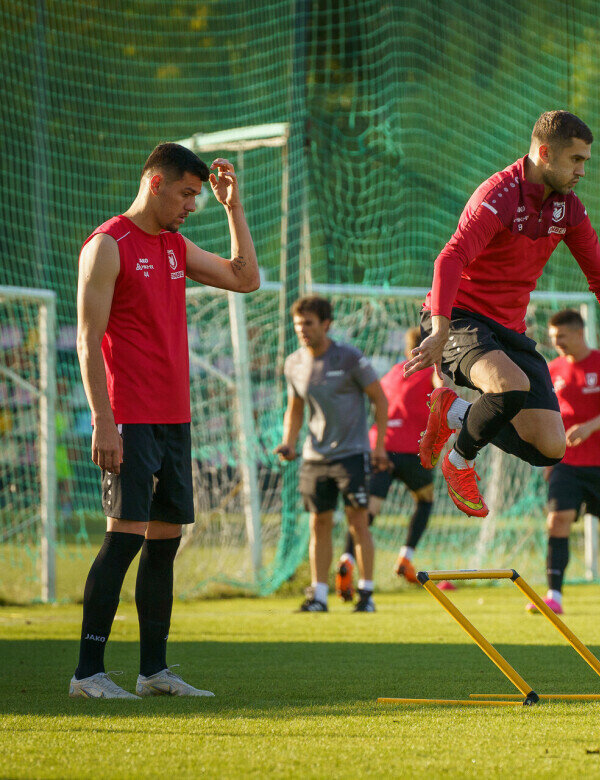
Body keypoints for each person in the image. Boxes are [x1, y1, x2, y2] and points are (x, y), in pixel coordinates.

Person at [71, 143, 259, 699]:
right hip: (128, 416)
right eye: (186, 193)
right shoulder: (108, 245)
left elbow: (245, 278)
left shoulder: (176, 245)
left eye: (198, 195)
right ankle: (87, 674)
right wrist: (102, 420)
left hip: (175, 418)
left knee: (164, 544)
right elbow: (85, 340)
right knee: (123, 540)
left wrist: (232, 208)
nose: (191, 205)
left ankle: (153, 672)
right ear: (155, 183)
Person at [404, 110, 600, 518]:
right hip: (459, 318)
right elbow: (450, 258)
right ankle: (459, 461)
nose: (582, 171)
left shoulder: (569, 211)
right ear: (544, 153)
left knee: (550, 448)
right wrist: (438, 329)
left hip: (508, 331)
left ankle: (452, 411)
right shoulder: (499, 195)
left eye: (585, 161)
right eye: (576, 160)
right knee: (510, 385)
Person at [275, 296, 388, 613]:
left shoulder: (349, 358)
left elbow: (380, 400)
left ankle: (366, 594)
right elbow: (294, 409)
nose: (302, 330)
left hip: (352, 454)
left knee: (358, 522)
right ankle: (319, 596)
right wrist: (289, 442)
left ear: (326, 324)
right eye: (298, 324)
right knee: (318, 523)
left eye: (308, 323)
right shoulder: (293, 363)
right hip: (314, 457)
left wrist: (378, 446)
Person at [528, 309, 600, 616]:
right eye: (552, 337)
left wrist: (587, 427)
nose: (556, 342)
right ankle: (554, 597)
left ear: (578, 333)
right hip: (566, 463)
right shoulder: (553, 369)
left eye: (561, 336)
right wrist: (547, 456)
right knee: (557, 521)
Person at [336, 327, 443, 599]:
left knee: (367, 512)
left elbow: (376, 404)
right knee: (425, 500)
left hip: (379, 448)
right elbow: (444, 394)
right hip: (411, 450)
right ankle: (405, 558)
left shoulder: (393, 372)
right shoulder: (434, 371)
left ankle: (347, 559)